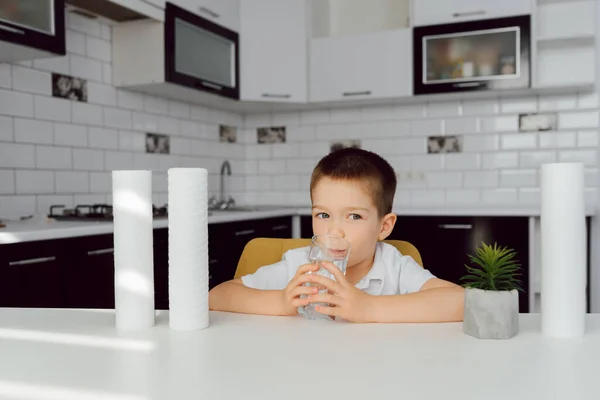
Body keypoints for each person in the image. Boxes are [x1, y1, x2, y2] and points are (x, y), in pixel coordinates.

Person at [209, 148, 464, 323]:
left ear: (384, 227)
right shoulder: (300, 265)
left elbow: (461, 302)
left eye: (354, 216)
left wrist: (369, 307)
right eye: (323, 215)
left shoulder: (392, 266)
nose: (334, 231)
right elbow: (217, 296)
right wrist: (279, 301)